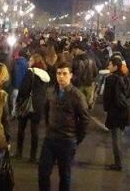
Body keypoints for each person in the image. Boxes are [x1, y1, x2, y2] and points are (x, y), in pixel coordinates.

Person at [38, 61, 91, 191]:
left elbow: (85, 119)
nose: (61, 76)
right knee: (43, 173)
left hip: (67, 140)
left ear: (71, 75)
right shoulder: (51, 91)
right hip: (50, 139)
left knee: (65, 175)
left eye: (64, 74)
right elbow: (46, 111)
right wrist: (48, 127)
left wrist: (77, 139)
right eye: (58, 73)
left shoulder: (77, 95)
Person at [15, 54, 50, 162]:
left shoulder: (31, 72)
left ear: (34, 61)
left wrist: (18, 101)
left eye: (30, 60)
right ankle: (33, 156)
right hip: (38, 105)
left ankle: (19, 152)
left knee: (21, 128)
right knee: (34, 131)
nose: (29, 62)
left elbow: (24, 88)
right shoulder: (45, 75)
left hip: (27, 104)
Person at [103, 56, 130, 171]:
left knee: (115, 139)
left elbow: (107, 98)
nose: (108, 67)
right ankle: (118, 161)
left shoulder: (110, 79)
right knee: (119, 136)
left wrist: (107, 109)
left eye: (110, 65)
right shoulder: (126, 78)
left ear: (115, 66)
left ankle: (118, 163)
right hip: (124, 111)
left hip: (114, 112)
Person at [71, 43, 98, 109]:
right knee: (87, 104)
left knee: (78, 104)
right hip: (89, 85)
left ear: (79, 50)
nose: (76, 51)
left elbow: (71, 73)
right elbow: (95, 73)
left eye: (77, 49)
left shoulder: (75, 61)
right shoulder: (91, 60)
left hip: (78, 85)